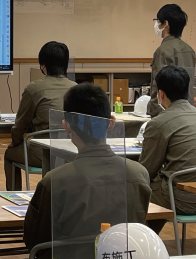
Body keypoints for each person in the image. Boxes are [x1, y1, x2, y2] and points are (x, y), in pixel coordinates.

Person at [23, 83, 151, 258]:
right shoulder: (140, 174)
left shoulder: (55, 180)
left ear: (66, 125)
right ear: (111, 123)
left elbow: (35, 241)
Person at [140, 66, 196, 251]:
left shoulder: (159, 123)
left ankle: (143, 242)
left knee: (139, 185)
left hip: (182, 200)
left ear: (161, 94)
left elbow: (147, 170)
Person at [4, 41, 76, 190]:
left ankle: (12, 196)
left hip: (42, 153)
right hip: (71, 152)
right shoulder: (77, 89)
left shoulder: (34, 88)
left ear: (43, 65)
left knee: (9, 154)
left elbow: (21, 124)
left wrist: (15, 141)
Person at [147, 4, 196, 117]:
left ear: (166, 24)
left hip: (167, 112)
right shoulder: (189, 50)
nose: (157, 24)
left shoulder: (162, 51)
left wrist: (153, 113)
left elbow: (157, 86)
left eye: (158, 21)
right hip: (188, 110)